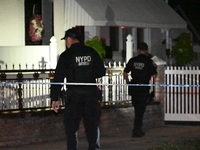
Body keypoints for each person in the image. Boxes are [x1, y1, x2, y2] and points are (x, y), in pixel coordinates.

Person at [51, 28, 106, 150]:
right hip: (91, 96)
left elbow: (58, 77)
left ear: (69, 39)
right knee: (92, 126)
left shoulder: (67, 55)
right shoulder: (91, 52)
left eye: (66, 40)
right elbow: (101, 72)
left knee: (71, 128)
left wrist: (55, 98)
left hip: (73, 97)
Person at [123, 42, 157, 138]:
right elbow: (154, 75)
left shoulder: (133, 60)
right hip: (143, 88)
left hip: (134, 88)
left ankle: (137, 130)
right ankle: (136, 131)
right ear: (146, 51)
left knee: (137, 109)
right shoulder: (148, 61)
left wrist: (128, 81)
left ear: (138, 50)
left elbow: (125, 72)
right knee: (140, 111)